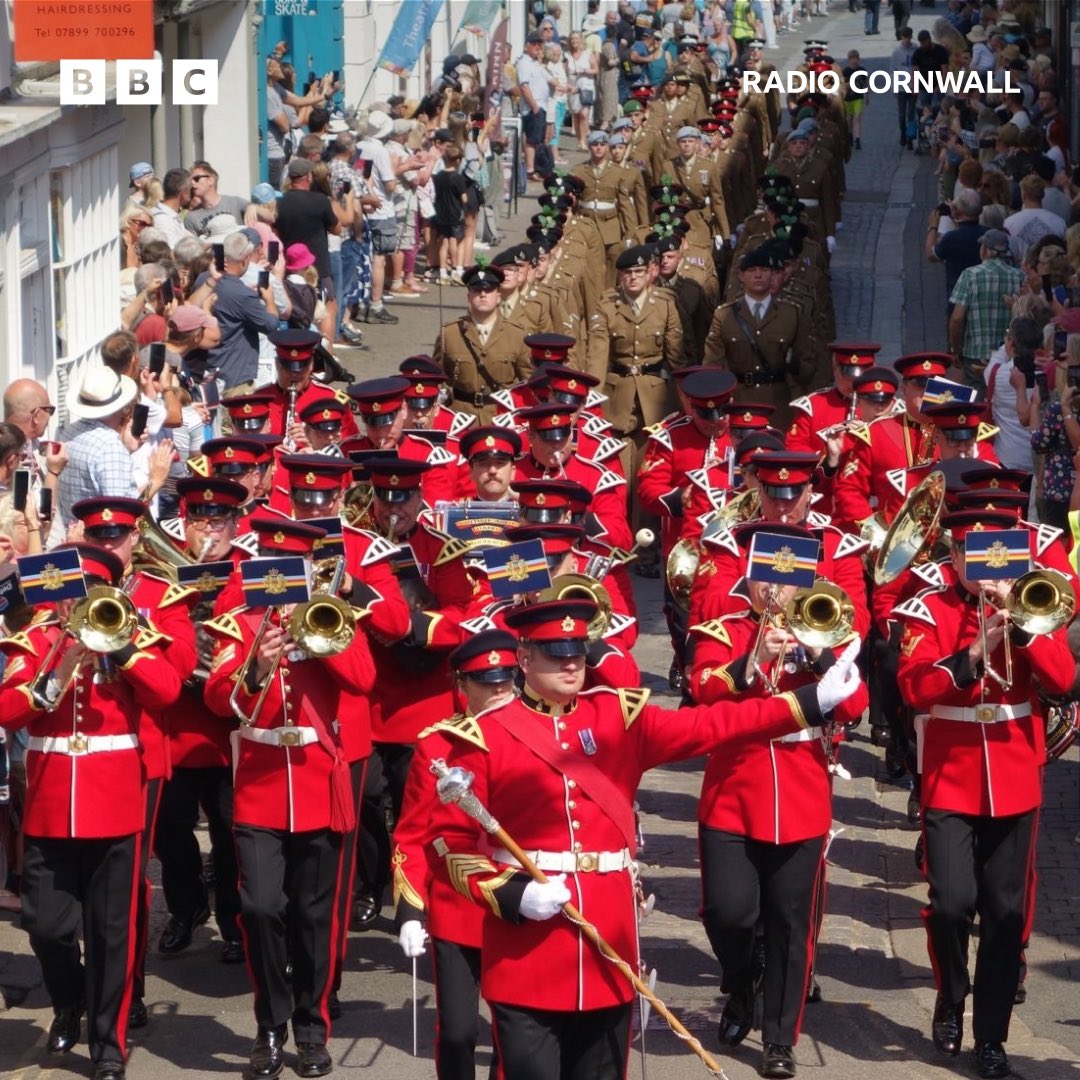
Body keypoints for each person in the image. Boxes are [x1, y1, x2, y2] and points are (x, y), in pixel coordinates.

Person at [431, 595, 863, 1080]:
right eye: (555, 654)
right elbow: (447, 843)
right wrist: (512, 893)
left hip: (607, 941)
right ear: (524, 658)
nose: (571, 664)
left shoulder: (616, 716)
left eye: (577, 652)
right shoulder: (485, 735)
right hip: (527, 950)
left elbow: (713, 724)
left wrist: (810, 702)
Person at [895, 510, 1074, 1080]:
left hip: (1015, 772)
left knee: (1005, 913)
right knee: (950, 902)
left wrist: (1020, 626)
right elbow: (915, 688)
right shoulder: (929, 608)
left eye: (1003, 562)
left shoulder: (1032, 605)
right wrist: (972, 654)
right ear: (954, 561)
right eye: (979, 561)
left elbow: (1063, 680)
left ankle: (991, 1038)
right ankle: (951, 994)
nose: (992, 573)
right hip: (951, 772)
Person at [0, 543, 182, 1080]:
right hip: (51, 807)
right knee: (45, 925)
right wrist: (58, 671)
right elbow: (7, 710)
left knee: (110, 934)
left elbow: (167, 691)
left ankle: (108, 1045)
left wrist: (121, 649)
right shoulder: (35, 641)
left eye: (84, 591)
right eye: (63, 592)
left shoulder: (132, 635)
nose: (71, 603)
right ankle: (70, 999)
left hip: (116, 805)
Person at [204, 516, 376, 1080]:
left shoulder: (334, 615)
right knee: (259, 908)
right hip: (260, 785)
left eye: (294, 567)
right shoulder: (239, 621)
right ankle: (270, 1025)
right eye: (273, 566)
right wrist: (256, 665)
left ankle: (311, 1028)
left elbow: (363, 679)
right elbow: (217, 699)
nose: (282, 576)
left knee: (314, 916)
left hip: (318, 781)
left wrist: (319, 634)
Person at [392, 630, 519, 1080]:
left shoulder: (539, 735)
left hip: (520, 903)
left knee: (514, 1034)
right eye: (486, 683)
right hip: (459, 904)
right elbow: (412, 835)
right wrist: (410, 911)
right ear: (461, 686)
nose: (499, 691)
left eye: (506, 681)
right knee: (458, 1032)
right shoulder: (438, 746)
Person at [948, 229, 1026, 388]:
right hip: (1008, 353)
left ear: (985, 250)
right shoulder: (1019, 276)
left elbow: (957, 319)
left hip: (976, 353)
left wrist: (955, 348)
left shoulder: (970, 275)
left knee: (978, 397)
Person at [927, 190, 990, 312]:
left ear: (958, 211)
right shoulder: (989, 233)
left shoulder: (950, 238)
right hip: (985, 296)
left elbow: (931, 254)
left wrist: (933, 226)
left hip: (958, 298)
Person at [516, 32, 554, 179]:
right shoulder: (524, 63)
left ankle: (539, 168)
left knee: (539, 139)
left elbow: (547, 79)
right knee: (532, 140)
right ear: (526, 46)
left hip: (541, 106)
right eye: (534, 43)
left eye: (539, 43)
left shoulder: (534, 63)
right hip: (533, 108)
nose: (537, 46)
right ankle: (530, 170)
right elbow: (524, 86)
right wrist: (534, 106)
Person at [433, 146, 469, 285]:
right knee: (454, 240)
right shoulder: (458, 178)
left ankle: (442, 272)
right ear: (458, 161)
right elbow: (464, 198)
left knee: (443, 242)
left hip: (441, 212)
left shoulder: (438, 177)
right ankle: (455, 270)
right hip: (455, 213)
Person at [185, 161, 247, 236]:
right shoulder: (191, 218)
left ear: (211, 180)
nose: (192, 183)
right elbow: (191, 243)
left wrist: (253, 206)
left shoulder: (236, 203)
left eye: (196, 178)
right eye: (190, 181)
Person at [566, 31, 598, 149]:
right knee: (576, 115)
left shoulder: (588, 54)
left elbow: (596, 70)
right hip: (572, 86)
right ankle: (579, 140)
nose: (574, 41)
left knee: (584, 114)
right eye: (572, 39)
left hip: (586, 86)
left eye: (576, 38)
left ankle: (583, 141)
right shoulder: (567, 55)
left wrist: (585, 70)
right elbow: (563, 72)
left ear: (581, 40)